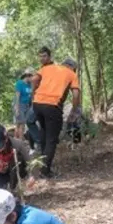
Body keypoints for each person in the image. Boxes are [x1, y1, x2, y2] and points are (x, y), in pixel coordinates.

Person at [31, 47, 81, 178]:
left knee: (44, 132)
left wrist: (33, 94)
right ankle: (45, 171)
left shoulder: (47, 68)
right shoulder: (71, 74)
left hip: (37, 104)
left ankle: (42, 163)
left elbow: (34, 79)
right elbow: (76, 94)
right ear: (73, 68)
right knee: (52, 139)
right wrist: (74, 110)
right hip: (53, 106)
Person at [14, 68, 35, 140]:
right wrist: (17, 108)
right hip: (20, 104)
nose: (32, 79)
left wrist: (32, 105)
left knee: (19, 123)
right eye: (32, 77)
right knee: (21, 123)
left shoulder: (30, 85)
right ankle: (20, 140)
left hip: (27, 105)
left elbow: (31, 96)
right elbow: (17, 96)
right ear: (28, 76)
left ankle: (16, 139)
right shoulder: (20, 83)